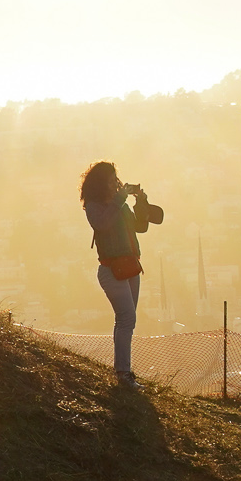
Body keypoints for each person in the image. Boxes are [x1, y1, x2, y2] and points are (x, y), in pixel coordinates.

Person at [79, 161, 164, 386]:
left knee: (126, 321)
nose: (113, 184)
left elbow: (140, 227)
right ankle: (123, 375)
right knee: (127, 319)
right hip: (111, 269)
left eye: (113, 180)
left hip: (131, 267)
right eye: (108, 181)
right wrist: (120, 198)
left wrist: (141, 202)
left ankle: (123, 372)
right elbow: (103, 224)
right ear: (99, 183)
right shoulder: (94, 206)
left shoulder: (119, 203)